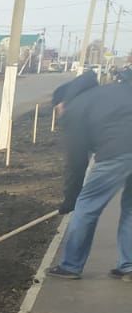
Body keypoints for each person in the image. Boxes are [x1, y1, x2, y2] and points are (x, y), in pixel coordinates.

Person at [47, 68, 132, 279]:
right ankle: (129, 266)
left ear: (62, 103)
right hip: (122, 147)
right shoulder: (108, 92)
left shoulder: (74, 109)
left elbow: (76, 162)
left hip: (118, 152)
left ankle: (70, 266)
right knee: (131, 209)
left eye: (56, 109)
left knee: (86, 206)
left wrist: (71, 199)